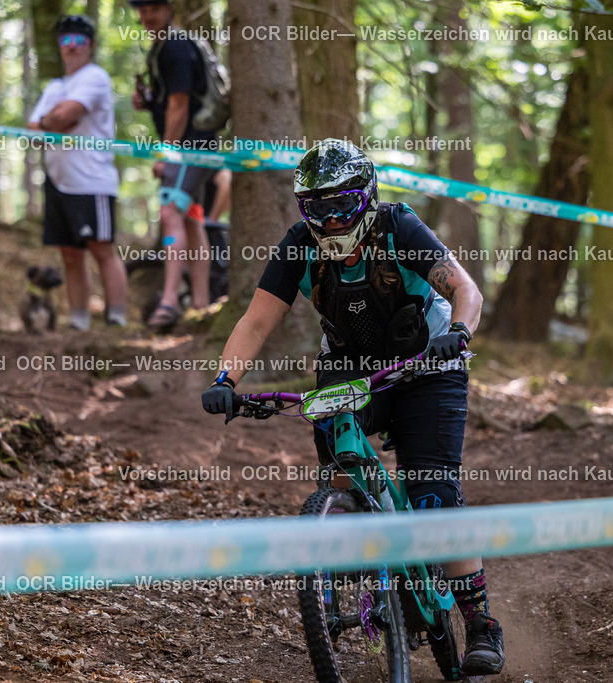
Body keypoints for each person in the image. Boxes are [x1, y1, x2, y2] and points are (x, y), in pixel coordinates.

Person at [201, 139, 505, 676]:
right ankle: (365, 557)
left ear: (366, 197)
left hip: (428, 365)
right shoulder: (300, 245)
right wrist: (226, 379)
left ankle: (480, 622)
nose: (332, 219)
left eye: (343, 204)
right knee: (341, 463)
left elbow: (466, 289)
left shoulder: (398, 226)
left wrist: (457, 333)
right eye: (318, 208)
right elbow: (254, 323)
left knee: (434, 493)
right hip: (351, 368)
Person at [28, 15, 127, 330]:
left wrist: (55, 118)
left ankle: (117, 319)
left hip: (91, 179)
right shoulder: (56, 85)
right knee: (69, 254)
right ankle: (79, 321)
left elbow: (66, 115)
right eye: (65, 41)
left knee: (102, 250)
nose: (71, 47)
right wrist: (53, 120)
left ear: (91, 45)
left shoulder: (95, 77)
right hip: (58, 180)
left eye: (78, 41)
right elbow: (34, 128)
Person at [130, 0, 219, 329]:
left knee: (169, 213)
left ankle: (169, 300)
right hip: (193, 147)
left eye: (153, 9)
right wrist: (149, 102)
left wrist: (166, 153)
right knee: (192, 218)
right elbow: (174, 98)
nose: (147, 17)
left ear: (168, 9)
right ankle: (200, 303)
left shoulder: (175, 48)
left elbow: (180, 105)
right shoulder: (162, 48)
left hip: (190, 148)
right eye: (141, 11)